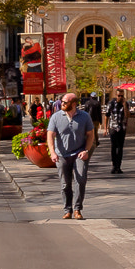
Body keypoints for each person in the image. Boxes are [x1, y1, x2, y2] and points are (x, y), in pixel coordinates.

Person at [48, 91, 97, 220]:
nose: (62, 104)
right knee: (65, 184)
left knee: (80, 180)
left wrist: (86, 150)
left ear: (74, 104)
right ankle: (67, 210)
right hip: (62, 155)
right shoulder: (56, 117)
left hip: (79, 153)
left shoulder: (85, 117)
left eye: (65, 102)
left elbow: (91, 134)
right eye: (62, 102)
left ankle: (77, 209)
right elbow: (50, 135)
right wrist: (52, 152)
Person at [105, 95, 127, 174]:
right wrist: (106, 128)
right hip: (113, 128)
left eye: (122, 96)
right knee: (114, 146)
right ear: (116, 96)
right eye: (119, 95)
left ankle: (119, 166)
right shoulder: (111, 104)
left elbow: (127, 116)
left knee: (120, 148)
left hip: (122, 128)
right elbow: (106, 116)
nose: (120, 97)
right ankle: (114, 166)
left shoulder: (125, 104)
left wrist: (124, 105)